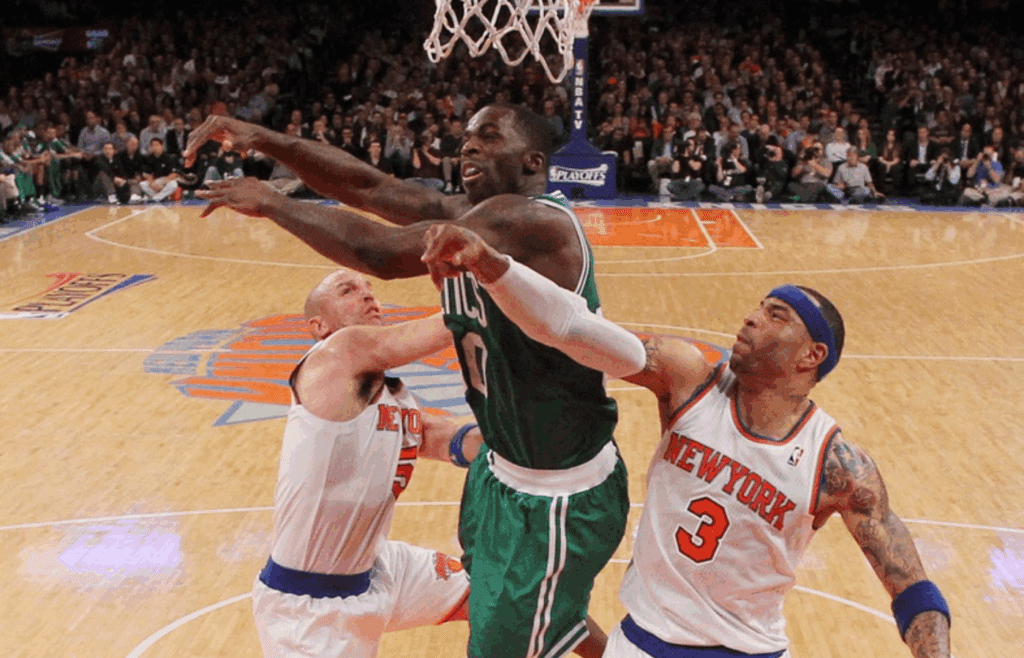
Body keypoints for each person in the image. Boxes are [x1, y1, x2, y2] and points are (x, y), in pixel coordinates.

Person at [184, 103, 640, 658]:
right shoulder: (476, 218)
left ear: (532, 161)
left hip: (556, 493)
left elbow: (375, 251)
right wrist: (263, 137)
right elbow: (369, 186)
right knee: (528, 613)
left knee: (505, 634)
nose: (468, 146)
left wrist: (274, 202)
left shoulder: (526, 222)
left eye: (488, 137)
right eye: (466, 137)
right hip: (503, 474)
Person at [419, 226, 953, 658]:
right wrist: (495, 268)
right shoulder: (688, 381)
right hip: (643, 640)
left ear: (812, 355)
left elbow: (912, 590)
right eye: (759, 306)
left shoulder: (838, 466)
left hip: (750, 650)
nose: (751, 317)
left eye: (776, 316)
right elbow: (574, 330)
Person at [253, 268, 476, 658]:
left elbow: (442, 438)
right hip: (307, 610)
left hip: (379, 566)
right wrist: (496, 287)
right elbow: (445, 326)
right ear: (318, 326)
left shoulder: (392, 395)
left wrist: (531, 445)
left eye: (370, 288)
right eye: (348, 291)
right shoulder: (335, 356)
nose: (368, 295)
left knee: (501, 598)